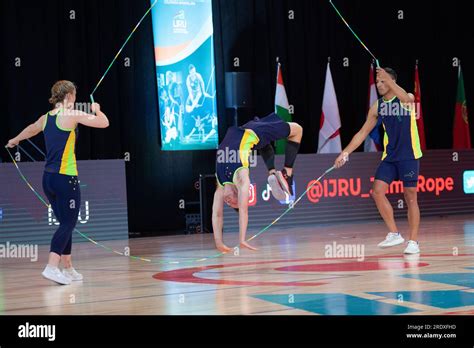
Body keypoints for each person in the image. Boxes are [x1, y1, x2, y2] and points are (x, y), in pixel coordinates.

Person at [6, 80, 110, 284]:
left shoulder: (46, 118)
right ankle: (51, 267)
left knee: (65, 224)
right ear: (69, 96)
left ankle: (68, 268)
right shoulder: (71, 115)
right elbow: (104, 123)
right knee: (69, 223)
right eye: (74, 95)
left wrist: (14, 140)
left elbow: (30, 129)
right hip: (66, 180)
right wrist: (98, 110)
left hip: (48, 180)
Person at [334, 67, 422, 254]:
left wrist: (388, 79)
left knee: (410, 197)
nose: (379, 84)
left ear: (392, 81)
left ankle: (413, 242)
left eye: (383, 81)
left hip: (409, 155)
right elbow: (363, 132)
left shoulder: (406, 99)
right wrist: (345, 152)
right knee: (377, 191)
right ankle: (394, 234)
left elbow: (408, 99)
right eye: (378, 81)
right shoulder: (378, 106)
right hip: (390, 157)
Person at [212, 113, 303, 252]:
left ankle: (273, 172)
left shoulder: (220, 183)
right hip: (255, 132)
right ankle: (287, 173)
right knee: (297, 130)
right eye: (234, 202)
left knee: (263, 142)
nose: (228, 202)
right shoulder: (242, 177)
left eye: (228, 203)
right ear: (240, 193)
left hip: (247, 128)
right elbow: (244, 210)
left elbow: (217, 214)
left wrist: (218, 242)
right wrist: (241, 239)